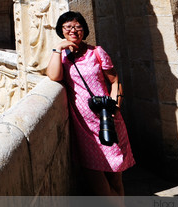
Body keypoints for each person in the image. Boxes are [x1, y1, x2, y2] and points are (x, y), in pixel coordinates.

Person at [45, 11, 134, 197]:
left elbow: (115, 81)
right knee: (98, 184)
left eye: (78, 27)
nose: (73, 31)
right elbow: (54, 76)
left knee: (115, 179)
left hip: (107, 121)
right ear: (61, 31)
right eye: (68, 27)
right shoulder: (62, 57)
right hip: (85, 128)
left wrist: (115, 108)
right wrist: (57, 48)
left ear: (84, 30)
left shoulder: (96, 52)